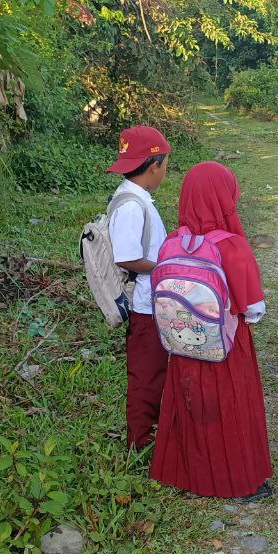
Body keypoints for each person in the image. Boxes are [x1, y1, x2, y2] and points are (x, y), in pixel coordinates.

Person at [149, 161, 274, 501]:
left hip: (181, 346)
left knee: (190, 407)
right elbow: (253, 310)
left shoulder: (172, 242)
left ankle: (187, 476)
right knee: (232, 408)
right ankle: (238, 482)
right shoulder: (231, 246)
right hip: (227, 349)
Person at [105, 125, 172, 448]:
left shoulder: (136, 196)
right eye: (166, 163)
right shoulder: (132, 205)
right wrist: (165, 267)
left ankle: (152, 431)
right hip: (144, 303)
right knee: (146, 375)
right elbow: (127, 258)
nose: (165, 170)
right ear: (154, 164)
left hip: (151, 301)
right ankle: (140, 441)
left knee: (156, 369)